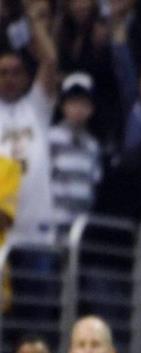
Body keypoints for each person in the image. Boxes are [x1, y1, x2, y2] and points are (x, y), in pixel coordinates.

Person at [0, 1, 57, 244]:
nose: (10, 78)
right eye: (3, 73)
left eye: (16, 72)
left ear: (25, 77)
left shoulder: (36, 106)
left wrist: (33, 20)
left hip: (38, 232)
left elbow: (50, 61)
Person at [49, 72, 102, 240]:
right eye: (73, 103)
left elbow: (94, 181)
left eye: (84, 104)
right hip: (53, 222)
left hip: (80, 225)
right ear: (63, 106)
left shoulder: (93, 146)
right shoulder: (51, 138)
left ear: (91, 109)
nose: (78, 109)